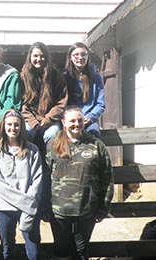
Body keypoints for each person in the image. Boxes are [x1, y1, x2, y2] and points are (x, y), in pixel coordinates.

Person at [46, 106, 114, 260]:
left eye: (80, 120)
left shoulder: (96, 146)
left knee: (81, 252)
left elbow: (107, 178)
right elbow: (45, 177)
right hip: (59, 210)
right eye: (72, 121)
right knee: (61, 250)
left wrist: (103, 207)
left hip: (86, 210)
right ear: (63, 122)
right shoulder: (53, 145)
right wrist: (44, 206)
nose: (76, 124)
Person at [0, 109, 43, 260]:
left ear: (22, 127)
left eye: (16, 125)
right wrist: (25, 203)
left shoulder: (33, 151)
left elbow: (37, 181)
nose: (13, 128)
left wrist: (28, 206)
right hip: (4, 207)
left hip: (29, 208)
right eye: (9, 125)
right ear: (3, 127)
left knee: (34, 251)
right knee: (8, 249)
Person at [20, 42, 68, 149]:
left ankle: (50, 165)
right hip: (30, 118)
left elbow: (61, 103)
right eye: (35, 56)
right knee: (25, 135)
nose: (39, 59)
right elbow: (22, 104)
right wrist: (32, 121)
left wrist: (48, 119)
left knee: (52, 136)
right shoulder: (23, 77)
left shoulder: (56, 76)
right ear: (30, 57)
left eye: (42, 56)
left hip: (51, 118)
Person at [64, 42, 105, 138]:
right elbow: (61, 102)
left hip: (89, 118)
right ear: (70, 57)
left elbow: (100, 104)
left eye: (84, 55)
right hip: (69, 118)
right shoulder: (64, 78)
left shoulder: (96, 77)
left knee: (94, 133)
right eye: (76, 55)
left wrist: (90, 117)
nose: (80, 57)